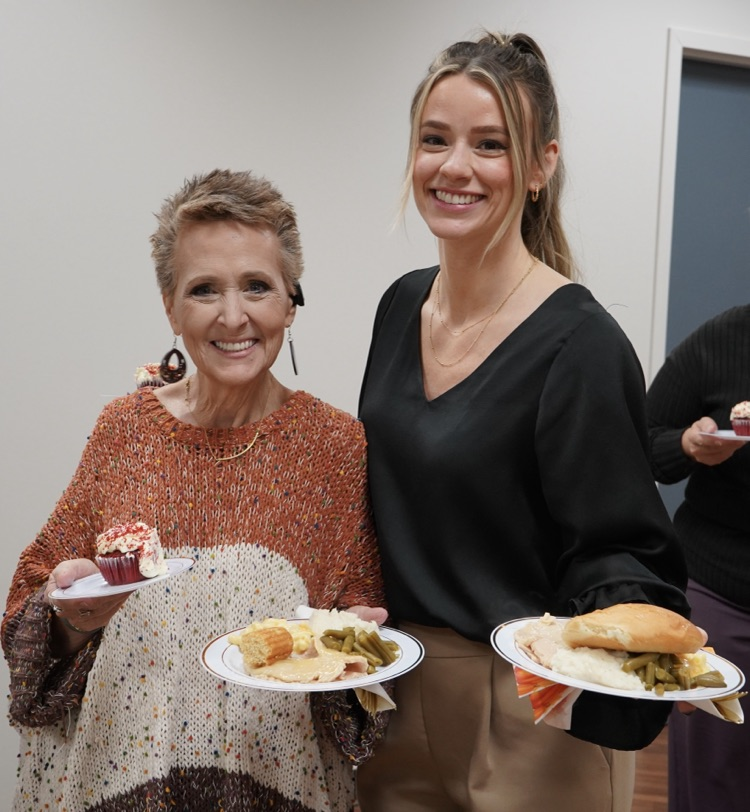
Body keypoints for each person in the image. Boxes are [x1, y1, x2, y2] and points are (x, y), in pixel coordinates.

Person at [356, 31, 692, 812]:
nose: (455, 167)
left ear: (541, 165)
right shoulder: (400, 304)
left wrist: (627, 662)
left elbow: (623, 549)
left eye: (490, 145)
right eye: (434, 140)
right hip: (396, 695)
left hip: (529, 713)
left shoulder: (581, 344)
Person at [2, 169, 387, 812]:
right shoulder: (123, 430)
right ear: (170, 305)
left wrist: (354, 644)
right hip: (120, 789)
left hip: (274, 791)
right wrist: (68, 617)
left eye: (257, 287)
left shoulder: (336, 448)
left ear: (291, 300)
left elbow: (357, 666)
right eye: (204, 289)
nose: (233, 316)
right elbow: (26, 619)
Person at [646, 304, 750, 812]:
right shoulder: (722, 340)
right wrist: (686, 445)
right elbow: (641, 439)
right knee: (713, 782)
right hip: (722, 586)